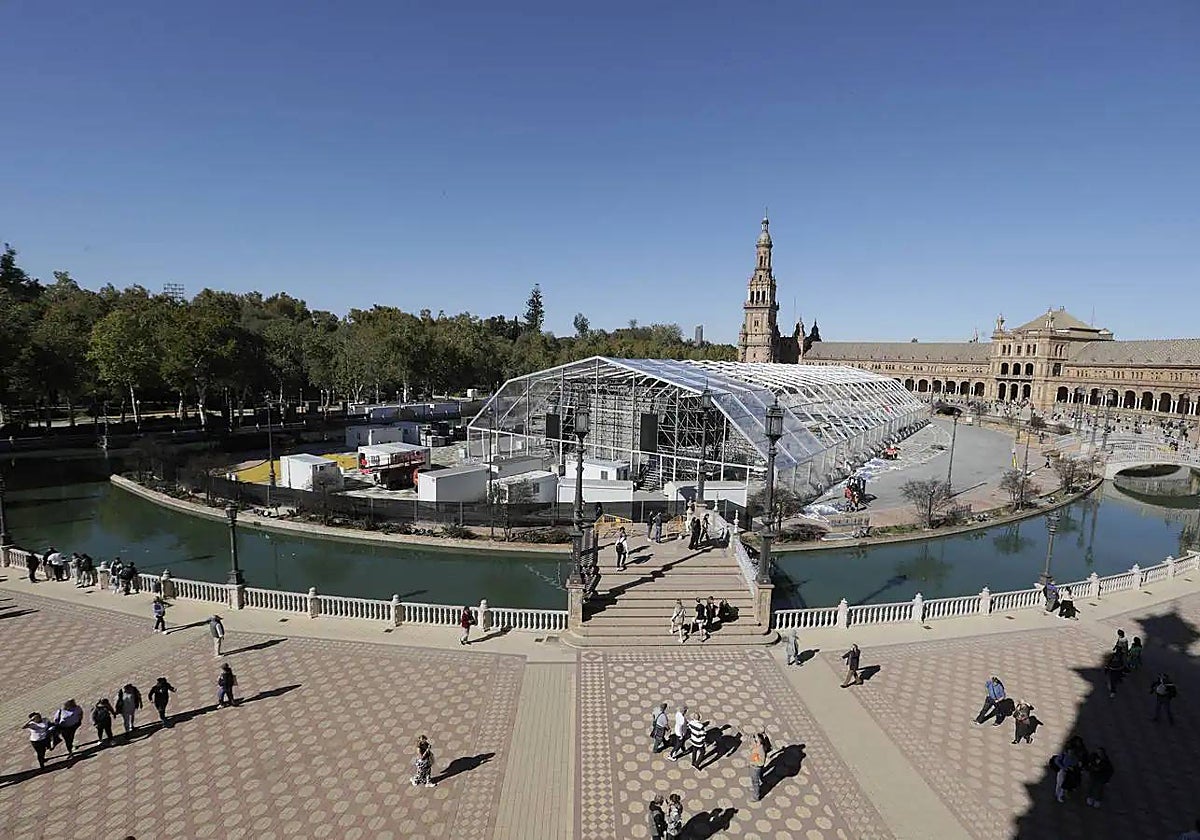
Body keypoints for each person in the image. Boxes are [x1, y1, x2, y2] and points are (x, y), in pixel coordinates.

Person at [748, 731, 768, 801]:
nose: (755, 740)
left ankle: (756, 796)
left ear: (760, 741)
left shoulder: (760, 749)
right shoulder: (759, 746)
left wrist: (755, 759)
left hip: (755, 767)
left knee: (755, 781)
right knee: (758, 777)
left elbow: (761, 763)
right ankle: (757, 786)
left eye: (756, 740)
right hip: (755, 766)